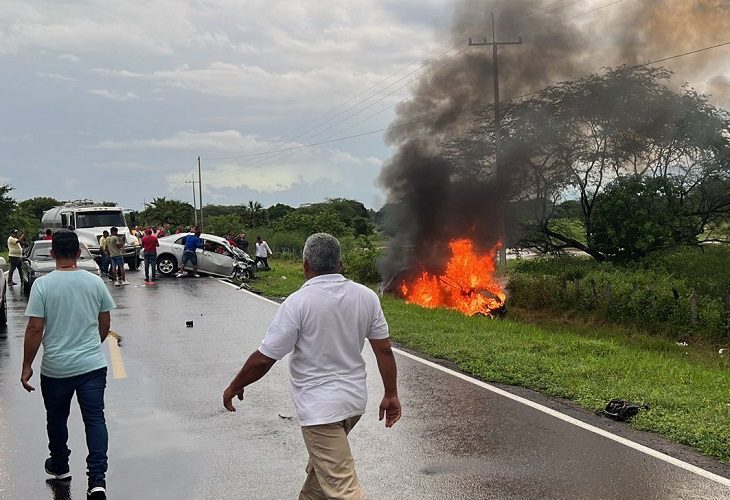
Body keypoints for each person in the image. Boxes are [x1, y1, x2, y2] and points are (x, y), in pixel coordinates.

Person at [223, 233, 401, 499]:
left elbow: (264, 358)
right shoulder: (366, 297)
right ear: (340, 264)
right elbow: (384, 349)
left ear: (305, 265)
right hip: (353, 404)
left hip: (321, 412)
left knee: (342, 490)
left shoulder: (298, 302)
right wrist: (390, 393)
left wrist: (235, 385)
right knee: (319, 480)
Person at [21, 229, 116, 500]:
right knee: (95, 420)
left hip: (56, 368)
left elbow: (35, 328)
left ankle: (60, 466)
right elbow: (105, 322)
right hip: (92, 367)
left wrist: (27, 365)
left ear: (52, 255)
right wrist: (91, 347)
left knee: (57, 418)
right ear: (78, 253)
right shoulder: (94, 282)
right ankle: (97, 480)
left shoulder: (43, 285)